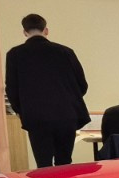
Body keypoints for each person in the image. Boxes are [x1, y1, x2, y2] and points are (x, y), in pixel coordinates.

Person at [5, 14, 88, 168]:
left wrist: (21, 110)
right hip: (66, 114)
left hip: (36, 116)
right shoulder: (65, 52)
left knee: (43, 164)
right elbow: (82, 84)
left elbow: (11, 88)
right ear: (46, 30)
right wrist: (68, 100)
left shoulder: (15, 54)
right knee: (64, 162)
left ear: (25, 32)